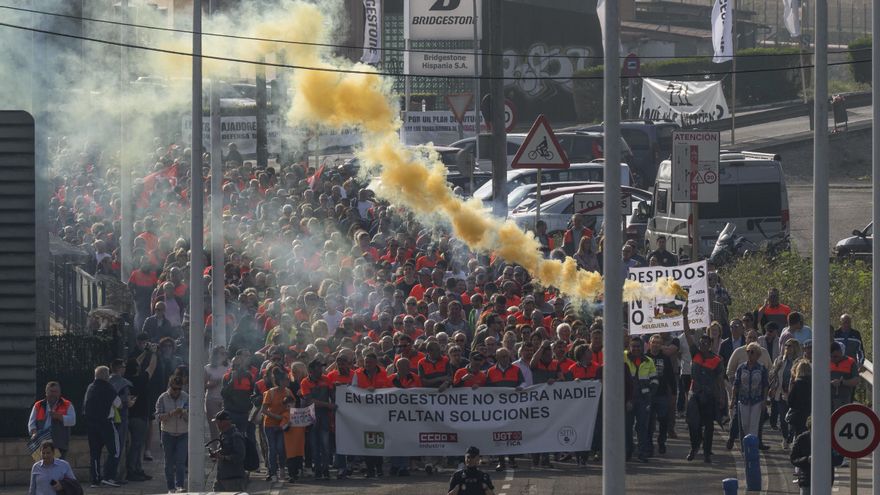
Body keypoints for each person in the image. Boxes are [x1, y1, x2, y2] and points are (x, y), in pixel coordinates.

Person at [682, 311, 724, 463]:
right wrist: (685, 317)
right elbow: (687, 335)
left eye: (706, 343)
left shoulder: (717, 360)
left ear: (710, 345)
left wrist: (721, 398)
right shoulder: (695, 354)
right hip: (695, 394)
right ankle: (694, 446)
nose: (703, 345)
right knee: (693, 423)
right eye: (701, 343)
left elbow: (719, 381)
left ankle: (707, 453)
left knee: (708, 426)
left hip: (709, 396)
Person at [83, 366, 122, 488]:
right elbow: (119, 404)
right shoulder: (108, 388)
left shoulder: (90, 387)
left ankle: (95, 480)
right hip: (106, 424)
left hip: (91, 424)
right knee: (115, 451)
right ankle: (108, 477)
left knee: (95, 453)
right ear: (106, 376)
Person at [300, 359, 335, 480]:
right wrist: (328, 405)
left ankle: (325, 469)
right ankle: (318, 470)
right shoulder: (305, 382)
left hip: (324, 416)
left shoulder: (326, 379)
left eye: (321, 367)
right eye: (319, 367)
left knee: (325, 444)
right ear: (311, 370)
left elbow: (333, 395)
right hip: (312, 416)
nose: (321, 370)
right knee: (314, 445)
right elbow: (309, 401)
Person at [624, 337, 657, 462]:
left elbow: (655, 380)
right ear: (629, 347)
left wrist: (649, 394)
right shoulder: (623, 357)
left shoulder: (649, 361)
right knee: (627, 427)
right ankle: (627, 452)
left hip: (643, 400)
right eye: (633, 346)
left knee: (642, 427)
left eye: (638, 346)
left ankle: (642, 453)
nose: (636, 348)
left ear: (643, 347)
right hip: (628, 399)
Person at [155, 376, 188, 493]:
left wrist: (184, 413)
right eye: (174, 389)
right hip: (167, 433)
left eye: (179, 389)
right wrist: (171, 413)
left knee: (180, 461)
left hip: (183, 433)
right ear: (170, 386)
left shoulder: (186, 397)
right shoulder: (162, 398)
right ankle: (171, 487)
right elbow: (158, 417)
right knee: (169, 462)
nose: (177, 391)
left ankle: (180, 486)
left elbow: (192, 417)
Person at [731, 343, 769, 442]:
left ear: (758, 355)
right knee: (745, 425)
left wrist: (764, 400)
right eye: (748, 351)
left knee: (754, 425)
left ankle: (753, 446)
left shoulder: (761, 368)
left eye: (752, 352)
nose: (749, 354)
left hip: (757, 400)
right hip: (743, 400)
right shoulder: (741, 367)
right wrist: (733, 399)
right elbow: (736, 383)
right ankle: (746, 444)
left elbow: (765, 385)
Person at [28, 382, 76, 460]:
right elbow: (31, 423)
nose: (53, 394)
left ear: (59, 393)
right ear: (46, 393)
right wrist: (34, 433)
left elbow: (72, 421)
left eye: (55, 392)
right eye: (51, 391)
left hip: (59, 443)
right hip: (41, 443)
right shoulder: (38, 405)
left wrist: (59, 416)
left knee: (58, 465)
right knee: (42, 465)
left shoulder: (67, 404)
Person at [768, 339, 801, 449]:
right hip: (781, 393)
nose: (787, 348)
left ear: (795, 348)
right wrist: (776, 369)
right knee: (783, 418)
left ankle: (791, 438)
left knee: (793, 418)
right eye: (786, 345)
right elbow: (771, 375)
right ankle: (785, 438)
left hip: (794, 394)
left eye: (789, 346)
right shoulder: (779, 359)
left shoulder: (799, 361)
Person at [646, 334, 675, 455]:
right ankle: (648, 445)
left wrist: (673, 393)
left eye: (658, 343)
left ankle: (661, 442)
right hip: (648, 395)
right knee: (649, 422)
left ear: (661, 345)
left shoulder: (665, 358)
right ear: (649, 344)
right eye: (654, 342)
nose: (656, 345)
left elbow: (671, 377)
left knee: (663, 420)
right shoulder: (645, 357)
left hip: (662, 394)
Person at [210, 410, 247, 492]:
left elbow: (240, 456)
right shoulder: (223, 434)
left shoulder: (235, 436)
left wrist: (223, 457)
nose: (216, 425)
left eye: (217, 422)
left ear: (224, 422)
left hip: (234, 479)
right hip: (221, 478)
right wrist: (216, 454)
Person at [830, 342, 859, 411]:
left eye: (836, 356)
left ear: (841, 353)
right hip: (827, 398)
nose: (833, 359)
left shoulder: (851, 362)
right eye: (831, 356)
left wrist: (842, 382)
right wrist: (831, 383)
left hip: (844, 399)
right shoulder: (824, 361)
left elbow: (856, 381)